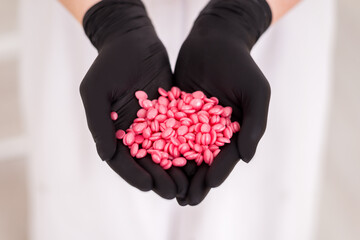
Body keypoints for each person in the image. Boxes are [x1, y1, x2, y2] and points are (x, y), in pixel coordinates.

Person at [21, 0, 335, 239]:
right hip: (81, 18)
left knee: (252, 218)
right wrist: (107, 13)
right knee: (94, 216)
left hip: (274, 23)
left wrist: (245, 10)